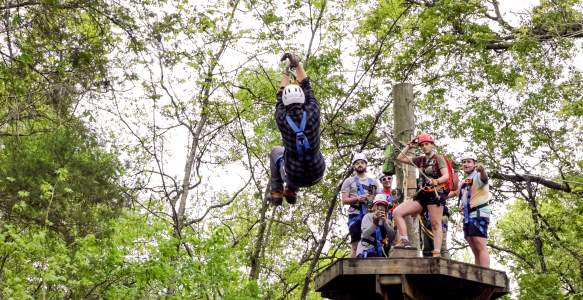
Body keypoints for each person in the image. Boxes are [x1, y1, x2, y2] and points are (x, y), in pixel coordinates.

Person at [268, 53, 326, 205]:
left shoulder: (282, 118)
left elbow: (280, 97)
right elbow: (307, 86)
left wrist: (285, 73)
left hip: (294, 176)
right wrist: (297, 64)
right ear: (303, 98)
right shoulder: (313, 112)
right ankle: (291, 191)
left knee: (277, 152)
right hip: (318, 172)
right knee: (307, 154)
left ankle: (277, 191)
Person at [393, 133, 449, 257]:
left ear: (432, 145)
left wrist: (437, 181)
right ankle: (404, 241)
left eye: (427, 144)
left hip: (435, 194)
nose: (424, 147)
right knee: (397, 212)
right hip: (422, 194)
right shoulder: (420, 160)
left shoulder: (438, 158)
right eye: (422, 145)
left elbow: (446, 176)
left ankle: (437, 252)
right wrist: (409, 146)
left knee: (435, 223)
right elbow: (400, 158)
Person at [341, 153, 381, 257]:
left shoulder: (373, 182)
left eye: (362, 163)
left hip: (369, 215)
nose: (360, 165)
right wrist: (358, 198)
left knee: (371, 243)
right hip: (355, 214)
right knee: (355, 243)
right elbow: (344, 200)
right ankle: (353, 269)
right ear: (354, 166)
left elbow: (380, 198)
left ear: (366, 165)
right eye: (357, 163)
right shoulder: (348, 181)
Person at [458, 152, 491, 267]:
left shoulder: (478, 176)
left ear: (474, 164)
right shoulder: (464, 181)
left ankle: (485, 274)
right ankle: (478, 273)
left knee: (480, 244)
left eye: (468, 162)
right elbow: (459, 194)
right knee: (472, 244)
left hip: (479, 213)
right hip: (468, 216)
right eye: (464, 162)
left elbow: (485, 178)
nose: (466, 164)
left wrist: (482, 170)